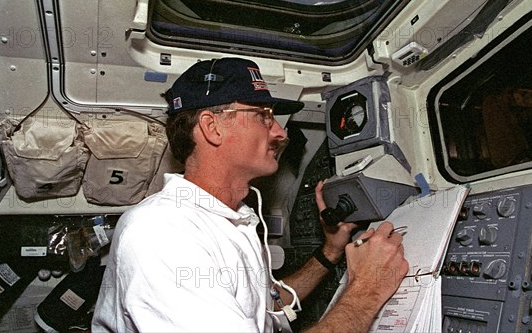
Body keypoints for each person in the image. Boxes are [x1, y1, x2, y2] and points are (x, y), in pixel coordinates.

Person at [92, 57, 409, 332]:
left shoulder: (235, 220)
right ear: (212, 128)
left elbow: (268, 306)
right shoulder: (161, 233)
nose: (280, 132)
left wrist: (330, 252)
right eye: (263, 116)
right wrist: (368, 287)